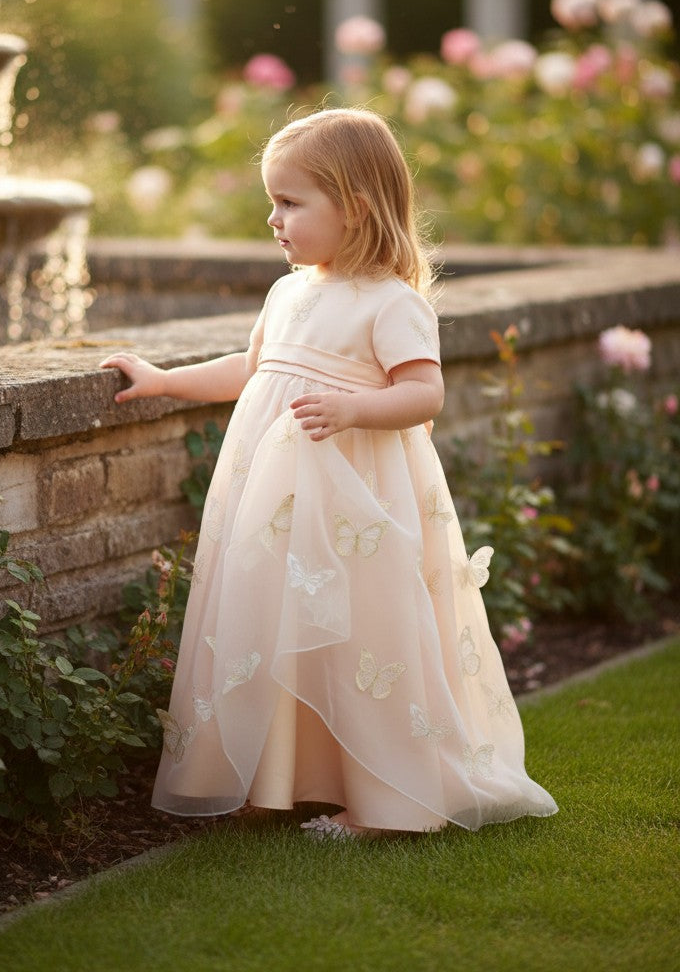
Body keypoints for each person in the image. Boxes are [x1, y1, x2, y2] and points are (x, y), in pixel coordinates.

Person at [100, 107, 557, 838]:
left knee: (364, 635)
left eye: (290, 202)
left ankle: (387, 800)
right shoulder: (288, 293)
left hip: (356, 502)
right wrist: (161, 380)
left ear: (356, 208)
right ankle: (275, 775)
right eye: (271, 201)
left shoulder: (390, 303)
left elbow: (425, 393)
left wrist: (354, 407)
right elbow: (251, 370)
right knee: (273, 622)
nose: (273, 219)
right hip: (276, 499)